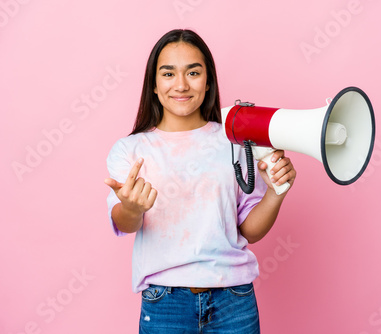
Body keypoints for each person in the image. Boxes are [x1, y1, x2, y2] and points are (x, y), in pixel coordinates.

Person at [104, 29, 296, 334]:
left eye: (193, 72)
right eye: (168, 74)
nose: (181, 84)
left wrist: (274, 194)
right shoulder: (130, 150)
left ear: (208, 82)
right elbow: (125, 222)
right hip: (165, 302)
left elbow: (249, 230)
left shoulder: (234, 142)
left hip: (234, 300)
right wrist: (131, 207)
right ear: (153, 85)